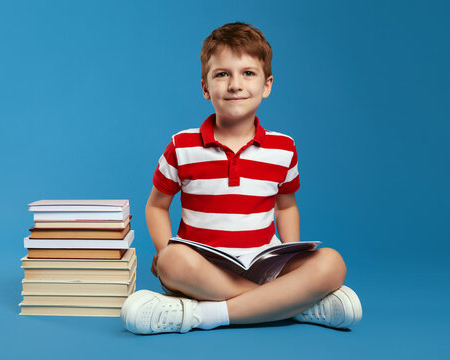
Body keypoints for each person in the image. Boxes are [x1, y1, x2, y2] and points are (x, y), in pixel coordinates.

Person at [120, 22, 362, 334]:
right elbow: (156, 206)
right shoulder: (182, 146)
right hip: (203, 268)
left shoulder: (283, 148)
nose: (235, 84)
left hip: (265, 263)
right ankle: (289, 305)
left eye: (248, 73)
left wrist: (292, 251)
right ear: (206, 88)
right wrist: (163, 248)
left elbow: (286, 206)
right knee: (170, 261)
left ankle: (203, 314)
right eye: (222, 74)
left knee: (332, 264)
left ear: (267, 85)